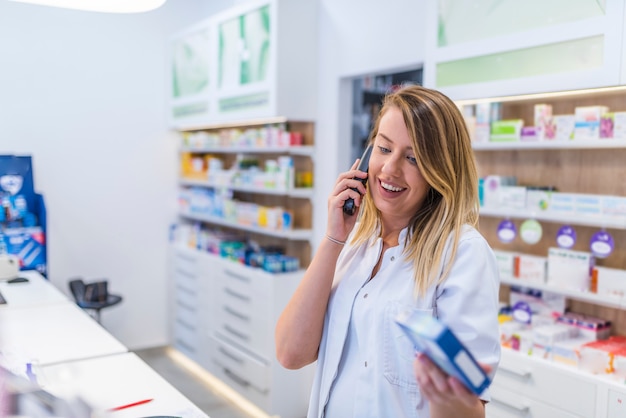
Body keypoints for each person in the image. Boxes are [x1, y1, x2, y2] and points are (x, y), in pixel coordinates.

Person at [275, 85, 501, 418]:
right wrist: (333, 239)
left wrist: (449, 388)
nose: (389, 169)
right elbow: (290, 354)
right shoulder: (356, 243)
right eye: (383, 148)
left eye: (412, 158)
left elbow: (471, 408)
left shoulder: (462, 254)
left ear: (440, 169)